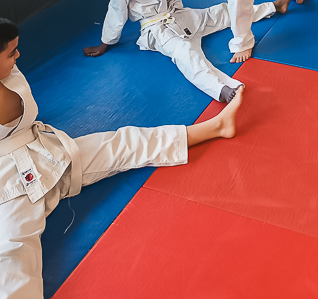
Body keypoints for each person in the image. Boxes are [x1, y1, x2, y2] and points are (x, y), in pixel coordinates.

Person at [0, 18, 244, 299]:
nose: (18, 55)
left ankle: (216, 126)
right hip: (13, 186)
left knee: (123, 142)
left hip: (47, 153)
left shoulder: (8, 71)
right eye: (11, 53)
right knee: (14, 257)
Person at [83, 0, 298, 102]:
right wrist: (105, 43)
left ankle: (273, 6)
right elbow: (116, 10)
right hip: (158, 30)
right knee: (185, 53)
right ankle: (220, 89)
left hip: (179, 17)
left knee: (222, 11)